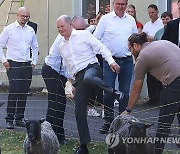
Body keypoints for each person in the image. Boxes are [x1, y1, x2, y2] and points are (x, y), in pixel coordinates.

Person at [56, 15, 123, 154]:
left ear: (70, 25)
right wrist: (72, 83)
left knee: (88, 78)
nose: (60, 29)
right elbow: (68, 65)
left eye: (62, 26)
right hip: (79, 77)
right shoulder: (61, 45)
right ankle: (83, 146)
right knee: (79, 111)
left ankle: (113, 92)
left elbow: (101, 47)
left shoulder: (83, 34)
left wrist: (111, 61)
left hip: (92, 68)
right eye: (58, 27)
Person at [122, 32, 180, 154]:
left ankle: (157, 151)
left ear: (136, 45)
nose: (130, 52)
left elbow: (136, 89)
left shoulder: (142, 57)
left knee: (164, 122)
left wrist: (128, 110)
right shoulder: (162, 43)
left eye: (130, 48)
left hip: (175, 82)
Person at [94, 0, 137, 134]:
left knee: (124, 92)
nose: (120, 6)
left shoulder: (130, 20)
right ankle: (108, 122)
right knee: (109, 92)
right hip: (110, 61)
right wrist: (107, 57)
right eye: (118, 3)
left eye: (123, 4)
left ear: (126, 4)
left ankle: (122, 123)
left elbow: (135, 39)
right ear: (113, 4)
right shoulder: (105, 19)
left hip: (127, 60)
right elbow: (96, 39)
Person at [0, 7, 38, 129]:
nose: (25, 19)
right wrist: (4, 61)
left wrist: (34, 62)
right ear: (17, 15)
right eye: (23, 16)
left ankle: (19, 117)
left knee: (23, 92)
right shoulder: (9, 29)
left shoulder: (31, 30)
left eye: (27, 17)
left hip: (26, 64)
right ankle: (9, 119)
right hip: (13, 64)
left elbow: (35, 46)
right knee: (14, 91)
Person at [142, 4, 163, 106]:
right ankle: (152, 98)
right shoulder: (147, 25)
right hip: (149, 52)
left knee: (159, 77)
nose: (151, 15)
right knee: (150, 77)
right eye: (149, 13)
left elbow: (159, 37)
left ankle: (159, 98)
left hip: (159, 52)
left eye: (153, 13)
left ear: (157, 12)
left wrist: (150, 38)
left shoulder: (161, 24)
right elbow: (143, 37)